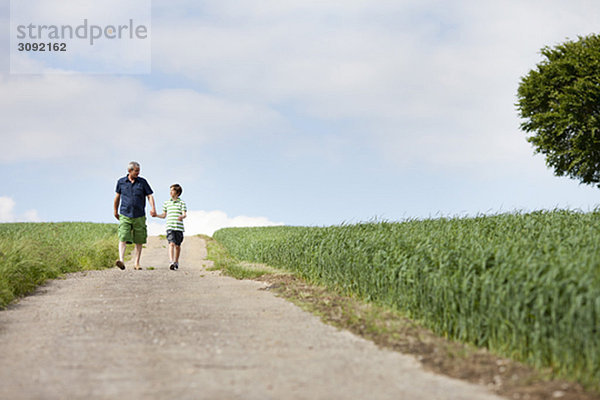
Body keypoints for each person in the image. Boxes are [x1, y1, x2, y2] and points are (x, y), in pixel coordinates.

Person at [113, 161, 157, 270]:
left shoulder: (142, 182)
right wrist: (115, 211)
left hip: (139, 215)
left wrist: (153, 208)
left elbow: (150, 196)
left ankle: (137, 263)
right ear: (129, 171)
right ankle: (122, 261)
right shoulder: (121, 182)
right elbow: (117, 197)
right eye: (136, 171)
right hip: (125, 214)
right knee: (123, 236)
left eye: (139, 170)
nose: (138, 173)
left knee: (139, 239)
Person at [154, 184, 187, 270]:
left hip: (179, 228)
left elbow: (184, 214)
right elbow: (164, 215)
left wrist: (182, 217)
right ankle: (171, 262)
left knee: (178, 246)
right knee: (171, 243)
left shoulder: (182, 203)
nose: (170, 192)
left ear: (177, 192)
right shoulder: (166, 203)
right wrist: (156, 215)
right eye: (170, 190)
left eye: (172, 190)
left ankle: (176, 261)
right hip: (170, 227)